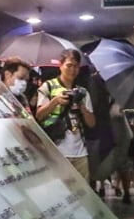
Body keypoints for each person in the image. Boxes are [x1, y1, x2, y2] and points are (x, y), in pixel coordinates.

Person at [35, 49, 96, 178]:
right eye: (69, 65)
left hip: (80, 152)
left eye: (76, 66)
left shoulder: (82, 92)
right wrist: (55, 101)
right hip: (56, 150)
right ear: (60, 65)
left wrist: (82, 108)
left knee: (83, 193)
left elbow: (91, 124)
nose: (73, 70)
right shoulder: (49, 87)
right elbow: (39, 116)